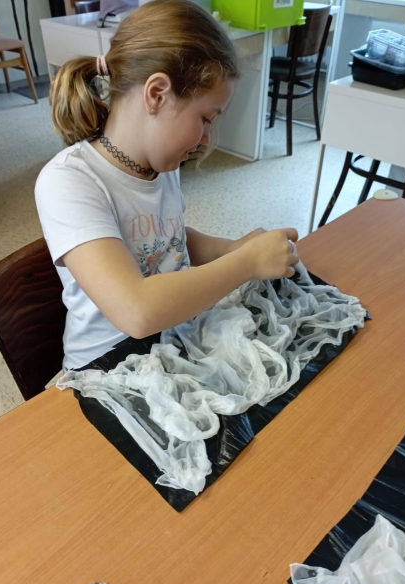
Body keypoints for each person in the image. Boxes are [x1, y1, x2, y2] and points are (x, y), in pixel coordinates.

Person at [35, 0, 299, 372]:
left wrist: (231, 248)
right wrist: (246, 262)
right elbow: (136, 311)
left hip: (173, 340)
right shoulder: (69, 181)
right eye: (205, 118)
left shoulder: (161, 164)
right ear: (157, 94)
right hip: (109, 369)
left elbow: (168, 240)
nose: (207, 138)